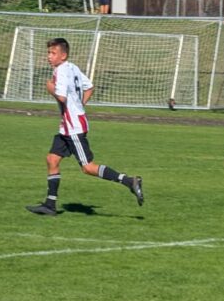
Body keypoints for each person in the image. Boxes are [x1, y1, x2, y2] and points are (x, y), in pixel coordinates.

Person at [27, 38, 143, 216]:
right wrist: (79, 106)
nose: (49, 56)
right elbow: (89, 87)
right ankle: (50, 205)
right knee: (52, 160)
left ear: (63, 55)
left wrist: (50, 88)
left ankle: (129, 181)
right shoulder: (72, 67)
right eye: (48, 53)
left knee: (88, 167)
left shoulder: (61, 70)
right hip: (68, 126)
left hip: (73, 128)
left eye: (53, 53)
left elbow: (61, 97)